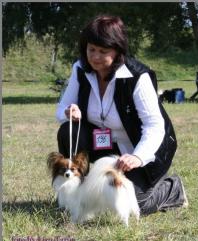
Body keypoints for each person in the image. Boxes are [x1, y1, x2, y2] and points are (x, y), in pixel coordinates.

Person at [56, 15, 188, 215]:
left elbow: (154, 126)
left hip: (138, 149)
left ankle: (172, 188)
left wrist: (138, 157)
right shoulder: (80, 69)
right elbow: (62, 108)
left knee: (134, 205)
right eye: (91, 49)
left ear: (118, 51)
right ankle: (81, 190)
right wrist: (68, 111)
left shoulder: (137, 77)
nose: (95, 57)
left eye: (103, 51)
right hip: (103, 145)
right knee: (67, 130)